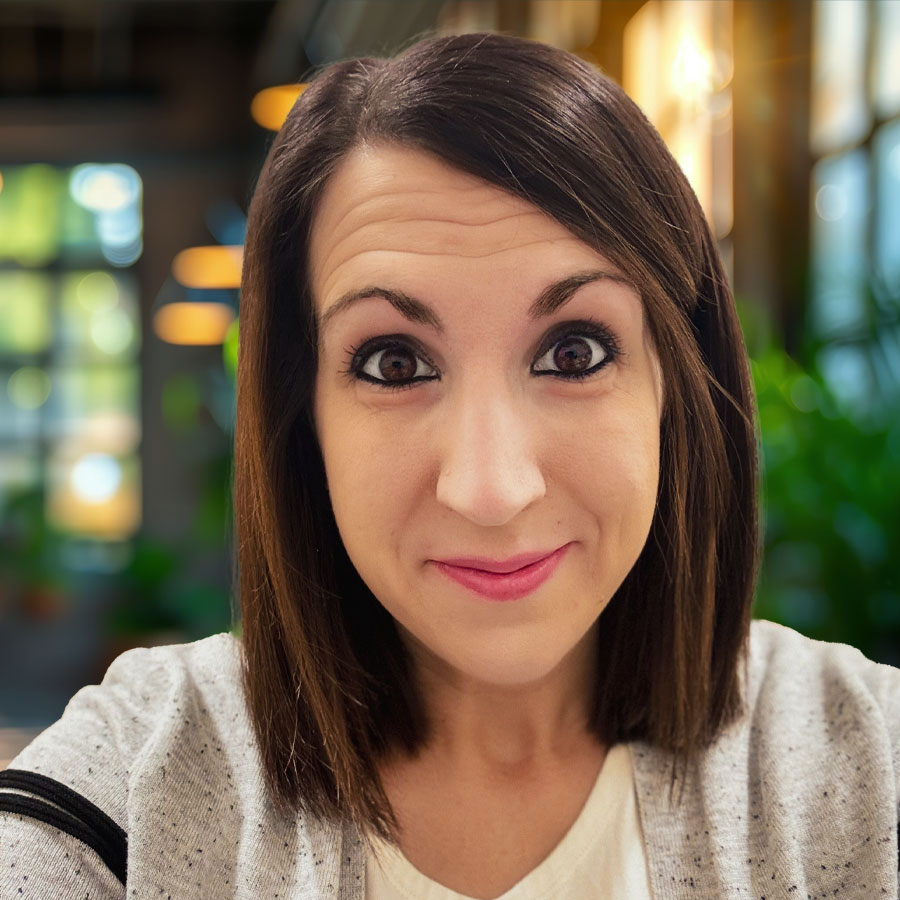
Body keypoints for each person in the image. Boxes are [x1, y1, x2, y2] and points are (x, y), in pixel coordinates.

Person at [1, 31, 898, 900]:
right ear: (300, 413)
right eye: (395, 363)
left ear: (678, 381)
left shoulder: (865, 765)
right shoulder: (135, 784)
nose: (492, 490)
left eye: (575, 352)